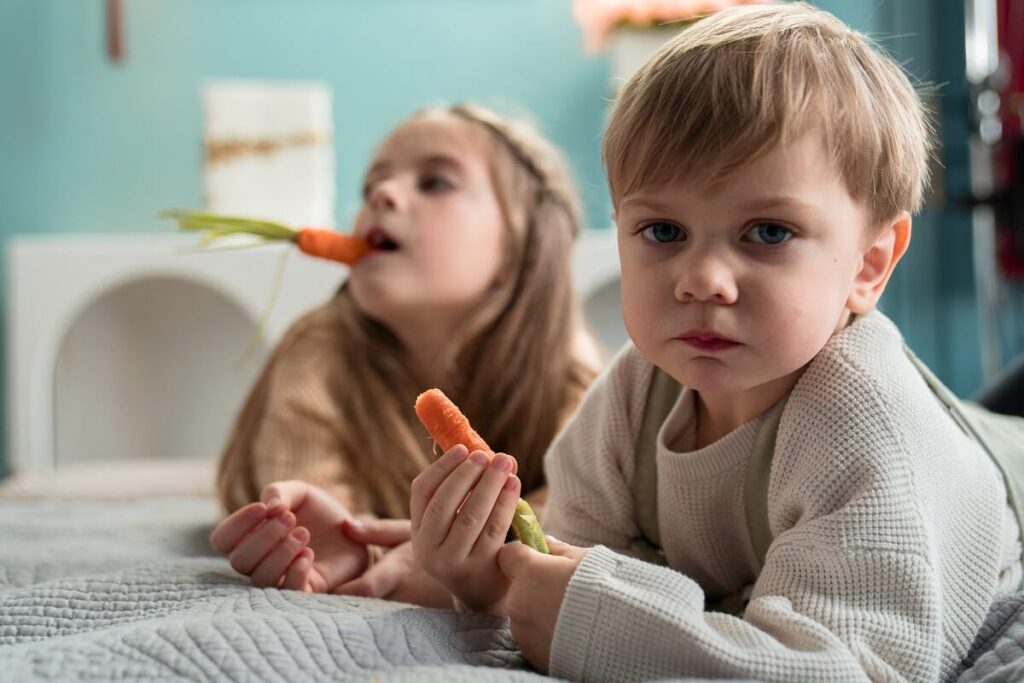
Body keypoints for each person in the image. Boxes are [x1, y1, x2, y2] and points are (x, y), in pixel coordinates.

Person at [410, 4, 1024, 679]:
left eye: (767, 232)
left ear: (870, 264)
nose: (702, 281)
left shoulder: (867, 434)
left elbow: (846, 668)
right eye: (664, 232)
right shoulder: (631, 397)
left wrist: (601, 626)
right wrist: (492, 578)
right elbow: (576, 572)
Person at [209, 102, 602, 605]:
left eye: (435, 182)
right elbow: (321, 510)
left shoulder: (574, 375)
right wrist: (350, 551)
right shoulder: (321, 348)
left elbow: (584, 522)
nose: (381, 194)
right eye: (370, 185)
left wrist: (466, 564)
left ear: (518, 245)